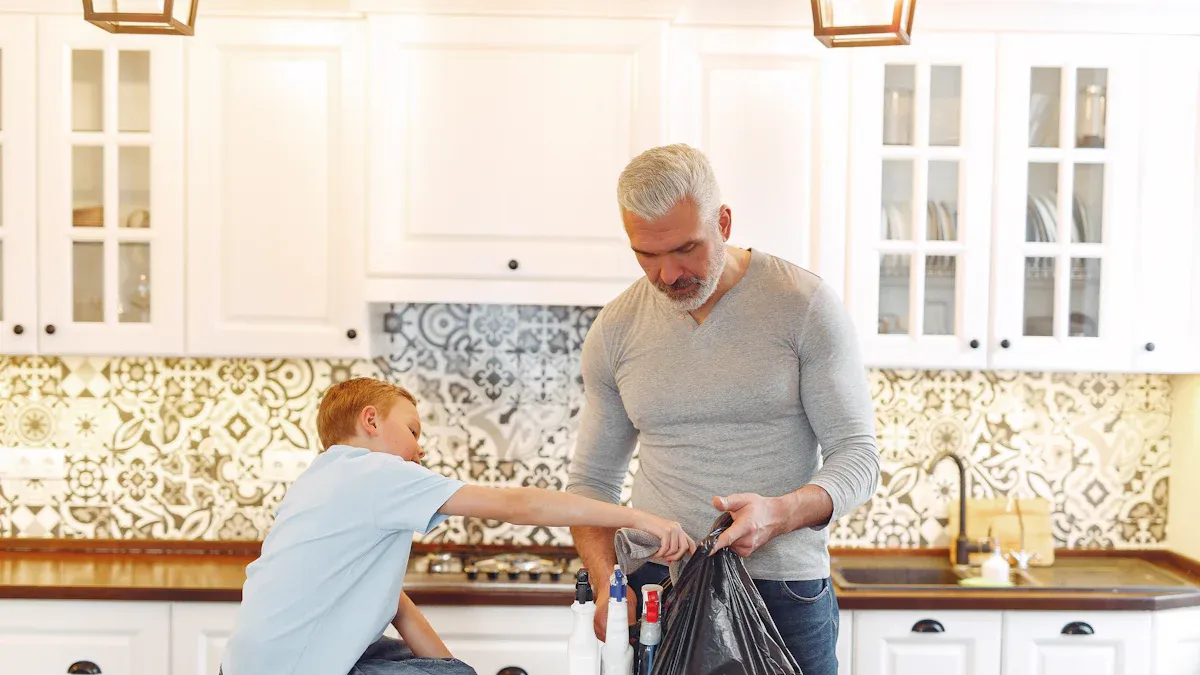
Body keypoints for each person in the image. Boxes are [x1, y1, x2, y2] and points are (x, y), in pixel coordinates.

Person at [565, 143, 881, 675]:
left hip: (780, 589)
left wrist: (778, 515)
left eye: (686, 248)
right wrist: (605, 587)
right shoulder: (616, 328)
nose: (668, 275)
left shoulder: (803, 306)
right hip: (654, 591)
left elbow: (858, 458)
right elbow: (591, 484)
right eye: (647, 254)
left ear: (725, 222)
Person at [220, 377, 695, 675]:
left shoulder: (320, 481)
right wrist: (638, 516)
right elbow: (518, 506)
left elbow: (396, 606)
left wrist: (453, 668)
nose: (419, 449)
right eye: (412, 431)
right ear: (370, 420)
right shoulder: (374, 473)